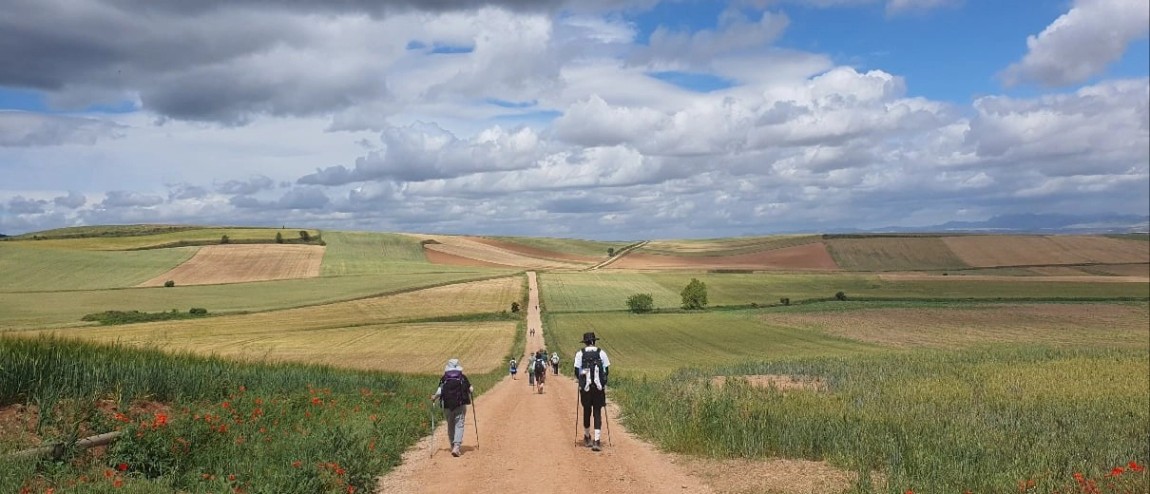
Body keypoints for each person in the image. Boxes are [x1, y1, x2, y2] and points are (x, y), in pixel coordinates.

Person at [573, 332, 610, 452]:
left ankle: (587, 436)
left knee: (587, 410)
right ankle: (597, 440)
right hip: (598, 388)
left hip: (586, 388)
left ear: (585, 342)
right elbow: (606, 370)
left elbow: (577, 371)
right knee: (597, 412)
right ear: (594, 341)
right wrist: (601, 383)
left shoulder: (580, 353)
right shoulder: (601, 353)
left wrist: (583, 381)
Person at [429, 358, 473, 457]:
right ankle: (456, 447)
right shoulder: (462, 377)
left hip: (447, 405)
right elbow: (471, 389)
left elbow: (439, 391)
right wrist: (470, 390)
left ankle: (452, 445)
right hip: (460, 405)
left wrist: (434, 397)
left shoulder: (444, 378)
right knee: (459, 425)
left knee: (450, 425)